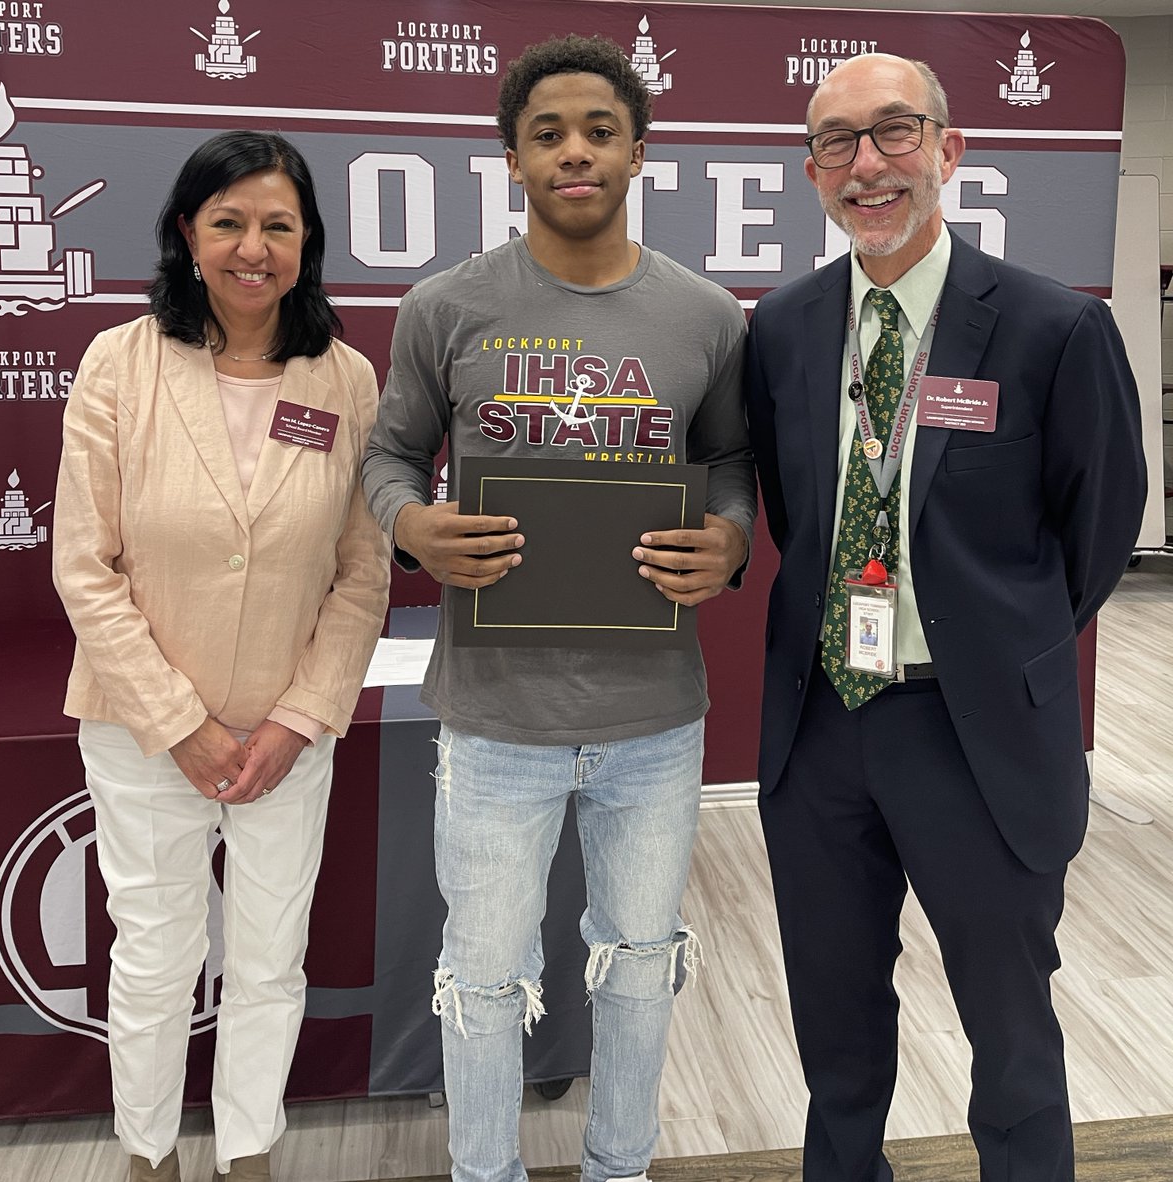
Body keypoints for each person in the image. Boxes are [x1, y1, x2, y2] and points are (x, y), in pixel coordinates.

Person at [362, 34, 755, 1182]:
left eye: (597, 130)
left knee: (641, 959)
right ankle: (484, 1173)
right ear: (512, 159)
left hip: (653, 717)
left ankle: (620, 1168)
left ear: (640, 150)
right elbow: (387, 454)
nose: (574, 151)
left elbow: (729, 461)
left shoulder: (705, 316)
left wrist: (728, 540)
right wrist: (408, 524)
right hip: (494, 719)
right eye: (547, 135)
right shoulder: (447, 306)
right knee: (482, 971)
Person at [745, 54, 1144, 1182]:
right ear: (813, 170)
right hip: (823, 724)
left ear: (950, 149)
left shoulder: (1052, 328)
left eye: (893, 133)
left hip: (975, 735)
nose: (865, 164)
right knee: (834, 1028)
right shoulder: (781, 328)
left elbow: (1100, 526)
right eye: (835, 142)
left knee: (1012, 1039)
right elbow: (796, 511)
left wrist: (989, 642)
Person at [52, 130, 390, 1182]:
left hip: (288, 732)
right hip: (143, 728)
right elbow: (83, 565)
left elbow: (362, 572)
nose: (255, 247)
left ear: (308, 242)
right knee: (155, 956)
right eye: (230, 222)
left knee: (267, 959)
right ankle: (146, 1153)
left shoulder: (344, 377)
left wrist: (297, 718)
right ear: (187, 235)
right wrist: (181, 723)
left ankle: (249, 1151)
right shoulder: (120, 361)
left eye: (278, 225)